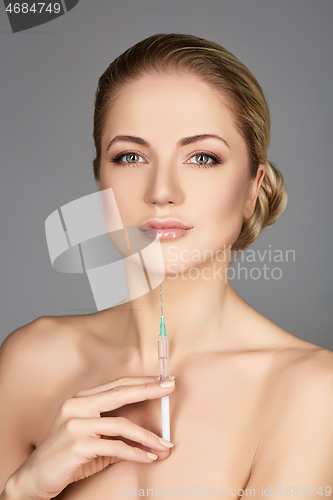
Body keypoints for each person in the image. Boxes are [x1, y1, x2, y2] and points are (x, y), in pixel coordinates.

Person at [1, 33, 332, 500]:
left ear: (253, 187)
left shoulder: (311, 392)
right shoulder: (29, 362)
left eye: (202, 157)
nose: (161, 190)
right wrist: (23, 490)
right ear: (100, 180)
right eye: (131, 157)